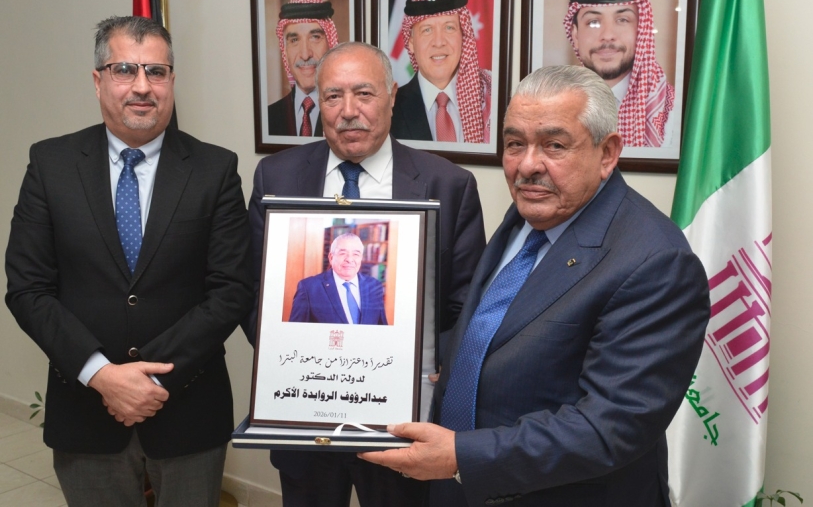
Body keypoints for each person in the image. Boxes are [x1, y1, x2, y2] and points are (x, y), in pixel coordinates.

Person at [360, 65, 710, 507]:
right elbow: (498, 327)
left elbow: (610, 427)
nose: (527, 165)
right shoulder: (533, 212)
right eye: (514, 144)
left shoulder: (656, 261)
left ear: (607, 153)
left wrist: (462, 457)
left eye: (554, 145)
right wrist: (401, 356)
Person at [4, 16, 253, 507]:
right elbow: (28, 289)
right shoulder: (51, 165)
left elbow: (232, 289)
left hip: (188, 410)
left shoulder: (215, 168)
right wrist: (101, 374)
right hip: (85, 412)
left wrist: (151, 380)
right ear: (98, 80)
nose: (142, 86)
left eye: (156, 71)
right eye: (124, 70)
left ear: (171, 80)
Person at [244, 41, 487, 507]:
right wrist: (291, 359)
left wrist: (423, 372)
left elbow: (464, 306)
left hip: (401, 424)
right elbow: (254, 290)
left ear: (392, 96)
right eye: (333, 96)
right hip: (305, 418)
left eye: (364, 94)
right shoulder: (276, 176)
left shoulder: (449, 184)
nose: (348, 111)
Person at [564, 0, 675, 148]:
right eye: (593, 22)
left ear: (641, 31)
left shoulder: (672, 113)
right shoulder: (557, 105)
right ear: (575, 36)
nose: (607, 35)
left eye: (622, 20)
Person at [391, 0, 492, 144]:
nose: (438, 42)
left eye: (449, 28)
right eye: (427, 30)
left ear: (463, 36)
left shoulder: (492, 97)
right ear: (411, 44)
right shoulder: (389, 110)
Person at [268, 0, 339, 137]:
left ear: (330, 45)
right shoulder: (270, 116)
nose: (305, 55)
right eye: (294, 40)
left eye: (315, 37)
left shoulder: (345, 112)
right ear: (285, 50)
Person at [290, 233, 387, 325]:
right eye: (343, 253)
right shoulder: (309, 288)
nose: (349, 259)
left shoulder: (374, 286)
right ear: (331, 257)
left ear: (361, 258)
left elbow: (381, 328)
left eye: (356, 254)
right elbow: (296, 331)